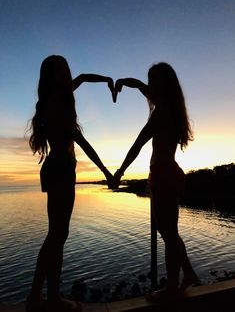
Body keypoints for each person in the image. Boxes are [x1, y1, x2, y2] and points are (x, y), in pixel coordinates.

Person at [26, 55, 114, 312]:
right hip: (61, 169)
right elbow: (82, 142)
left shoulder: (56, 98)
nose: (67, 74)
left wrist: (106, 79)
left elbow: (84, 78)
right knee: (56, 235)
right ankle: (38, 296)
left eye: (66, 69)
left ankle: (50, 296)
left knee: (58, 235)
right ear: (52, 76)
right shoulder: (56, 103)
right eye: (61, 70)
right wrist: (107, 172)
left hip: (59, 169)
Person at [113, 62, 199, 301]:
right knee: (169, 232)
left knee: (168, 234)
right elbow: (140, 86)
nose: (149, 84)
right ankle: (188, 273)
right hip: (165, 173)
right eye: (149, 79)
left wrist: (120, 172)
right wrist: (124, 83)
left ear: (165, 84)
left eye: (155, 80)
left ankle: (173, 286)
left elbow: (139, 143)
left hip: (163, 174)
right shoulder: (169, 106)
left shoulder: (162, 111)